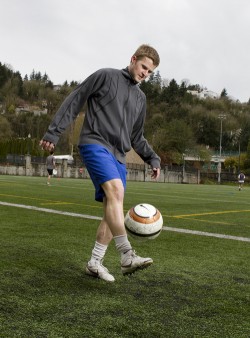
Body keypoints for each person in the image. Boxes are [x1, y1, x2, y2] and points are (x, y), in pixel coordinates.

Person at [40, 44, 161, 282]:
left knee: (112, 207)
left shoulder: (140, 98)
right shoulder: (106, 76)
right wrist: (53, 133)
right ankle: (127, 255)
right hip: (94, 143)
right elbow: (76, 99)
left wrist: (152, 157)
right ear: (133, 59)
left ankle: (95, 262)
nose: (145, 74)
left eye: (150, 72)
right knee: (115, 192)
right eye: (143, 67)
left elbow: (137, 136)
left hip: (118, 155)